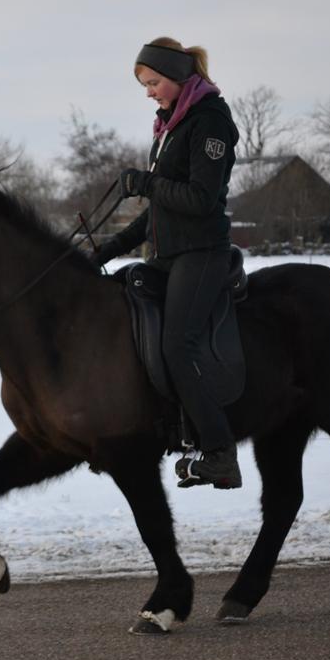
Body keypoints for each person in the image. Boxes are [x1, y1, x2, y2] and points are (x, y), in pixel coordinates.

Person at [92, 37, 242, 489]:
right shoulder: (170, 125)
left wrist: (147, 183)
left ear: (177, 76)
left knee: (178, 345)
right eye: (145, 85)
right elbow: (158, 214)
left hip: (201, 254)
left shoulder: (209, 121)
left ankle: (219, 452)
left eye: (153, 82)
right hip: (168, 256)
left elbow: (199, 199)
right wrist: (104, 250)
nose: (149, 93)